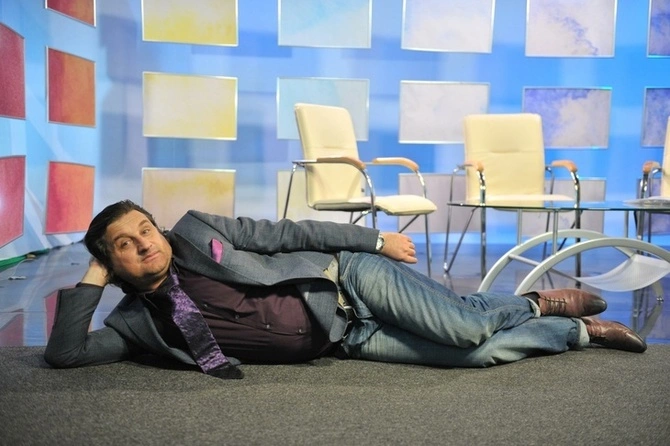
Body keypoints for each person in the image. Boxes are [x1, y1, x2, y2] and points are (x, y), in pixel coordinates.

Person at [44, 200, 647, 379]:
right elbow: (67, 353)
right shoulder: (136, 324)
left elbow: (291, 232)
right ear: (111, 262)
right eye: (124, 244)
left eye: (145, 229)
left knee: (462, 324)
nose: (144, 243)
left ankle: (532, 301)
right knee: (473, 353)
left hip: (346, 282)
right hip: (343, 338)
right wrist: (94, 276)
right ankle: (573, 329)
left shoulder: (200, 232)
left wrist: (373, 241)